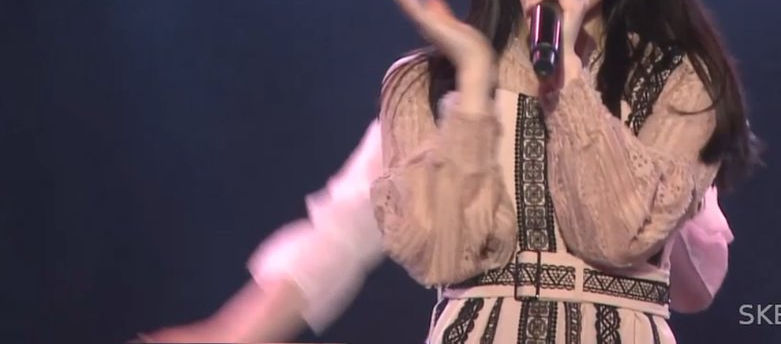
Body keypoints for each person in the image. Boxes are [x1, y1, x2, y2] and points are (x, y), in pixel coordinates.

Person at [373, 0, 758, 343]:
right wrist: (475, 83)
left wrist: (567, 80)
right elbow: (439, 254)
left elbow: (616, 234)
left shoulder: (680, 82)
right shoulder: (425, 84)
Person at [137, 121, 735, 343]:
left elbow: (696, 286)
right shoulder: (445, 95)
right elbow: (343, 231)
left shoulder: (662, 91)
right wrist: (233, 332)